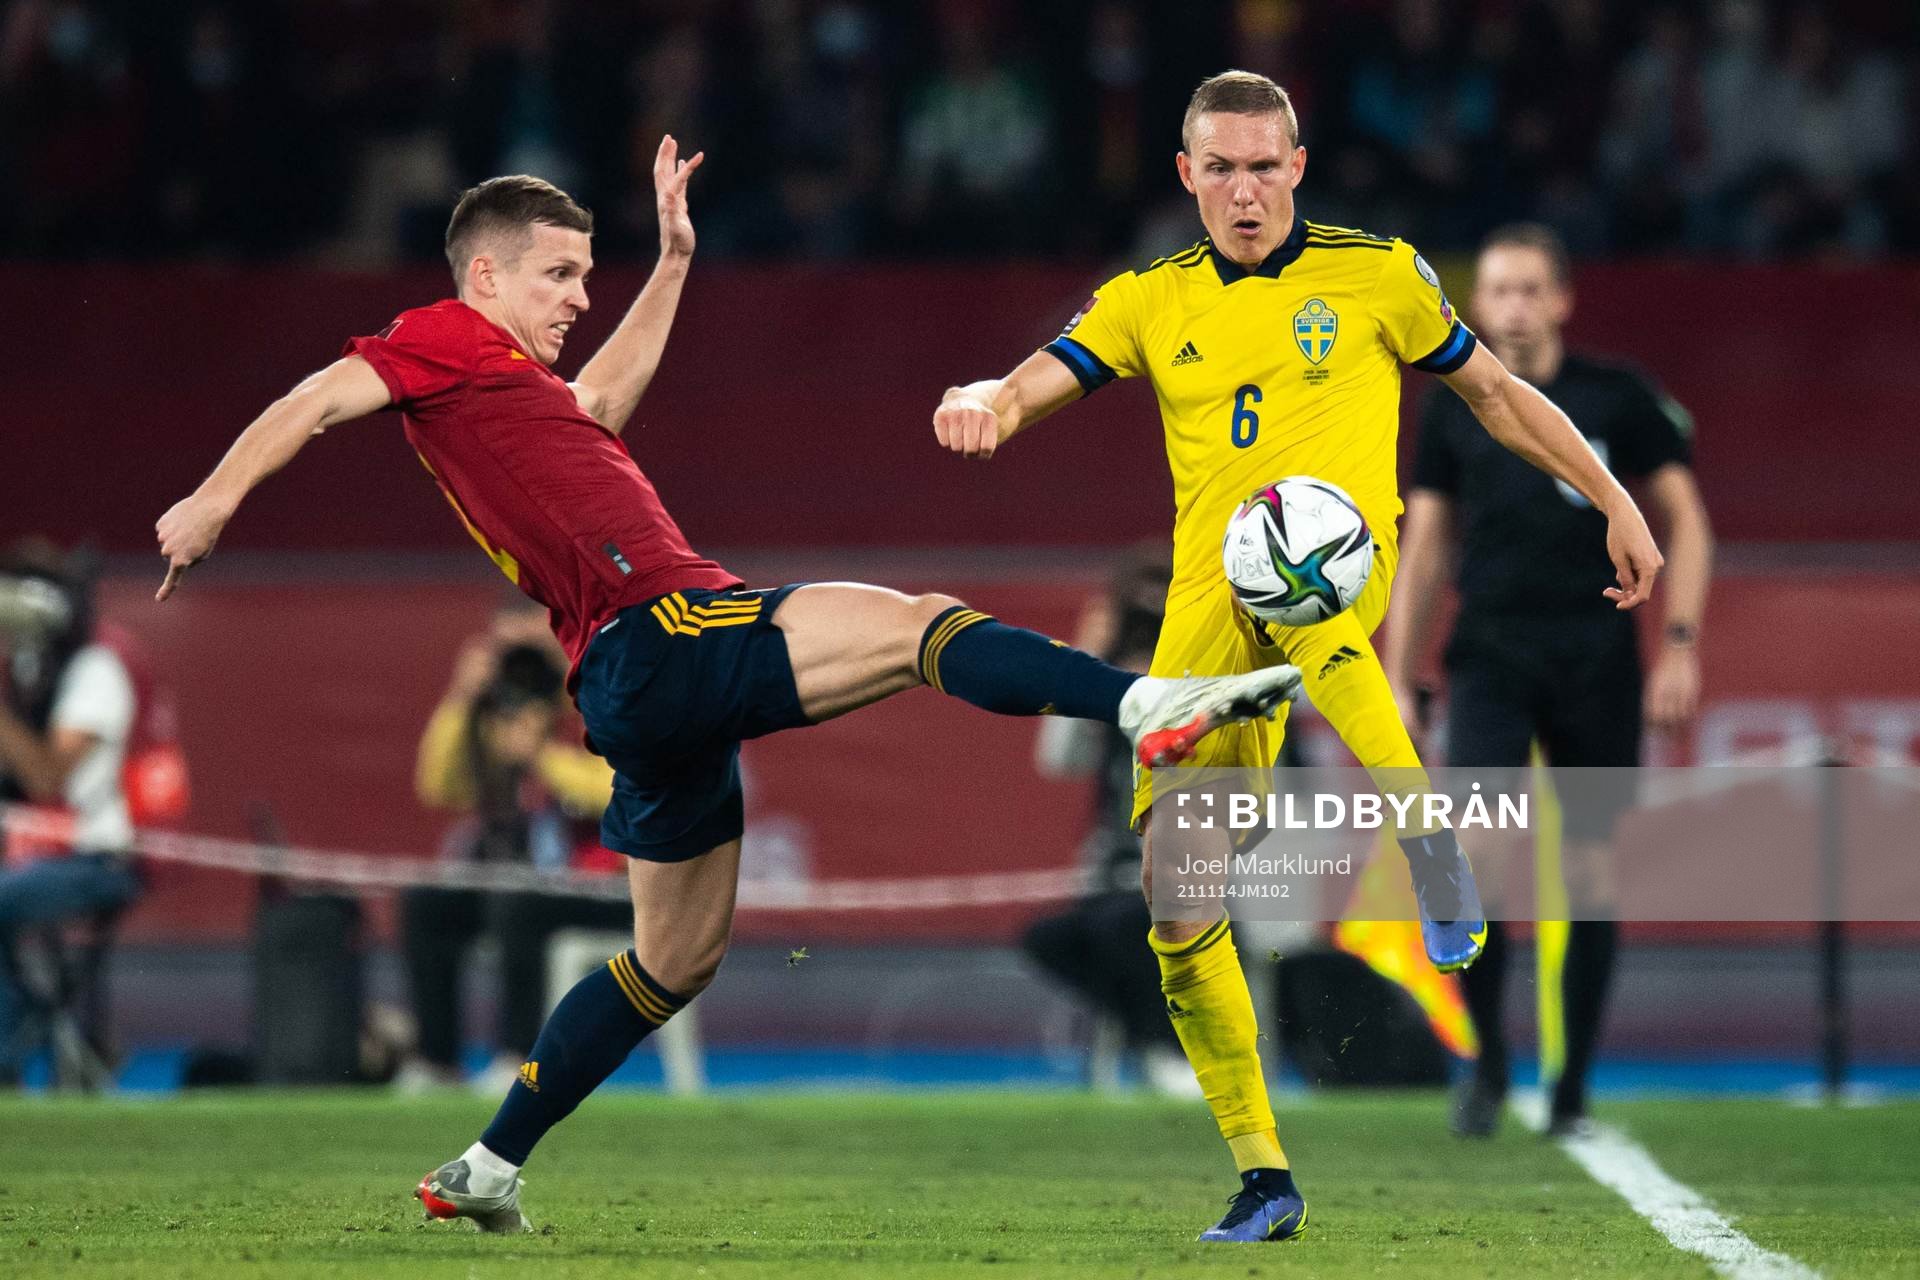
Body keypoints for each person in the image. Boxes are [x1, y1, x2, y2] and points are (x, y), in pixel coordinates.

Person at [153, 135, 1305, 1234]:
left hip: (629, 680)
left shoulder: (512, 389)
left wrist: (674, 263)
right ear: (486, 271)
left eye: (586, 276)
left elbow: (600, 407)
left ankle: (488, 1162)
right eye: (557, 274)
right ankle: (1140, 701)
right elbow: (315, 397)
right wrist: (212, 498)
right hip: (667, 625)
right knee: (919, 627)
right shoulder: (438, 336)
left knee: (671, 959)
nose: (575, 297)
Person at [931, 70, 1666, 1242]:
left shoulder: (1379, 273)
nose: (1243, 189)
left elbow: (1496, 394)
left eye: (1264, 166)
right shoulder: (1146, 299)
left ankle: (1429, 844)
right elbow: (1034, 381)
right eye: (1218, 168)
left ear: (1298, 168)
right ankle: (1265, 1173)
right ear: (1185, 176)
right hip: (1205, 613)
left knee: (1293, 554)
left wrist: (1612, 494)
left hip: (1341, 544)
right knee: (1178, 901)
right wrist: (986, 399)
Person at [1382, 222, 1714, 1139]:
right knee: (1483, 861)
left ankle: (1572, 1087)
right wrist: (1397, 674)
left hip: (1598, 656)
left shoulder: (1619, 397)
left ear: (1563, 299)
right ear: (1476, 303)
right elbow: (1426, 548)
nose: (1514, 309)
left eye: (1531, 291)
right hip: (1489, 655)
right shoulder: (1454, 405)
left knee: (1591, 871)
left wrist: (1679, 644)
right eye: (1498, 292)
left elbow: (1687, 523)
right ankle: (1487, 1061)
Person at [396, 631, 629, 1093]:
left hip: (606, 891)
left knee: (517, 905)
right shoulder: (494, 741)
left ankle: (519, 1057)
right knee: (426, 903)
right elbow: (438, 787)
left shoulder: (596, 721)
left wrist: (541, 755)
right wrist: (462, 700)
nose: (523, 704)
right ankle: (437, 1060)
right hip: (524, 893)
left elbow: (610, 792)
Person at [1020, 546, 1196, 1096]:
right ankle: (1154, 1040)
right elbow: (1058, 759)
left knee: (1126, 928)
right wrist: (1087, 661)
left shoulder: (1214, 690)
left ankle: (1169, 1050)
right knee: (1052, 938)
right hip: (1116, 875)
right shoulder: (1112, 700)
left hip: (1204, 876)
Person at [0, 543, 146, 1084]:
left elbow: (45, 777)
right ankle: (48, 1032)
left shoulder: (95, 668)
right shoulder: (32, 668)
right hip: (43, 854)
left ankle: (10, 1048)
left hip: (99, 857)